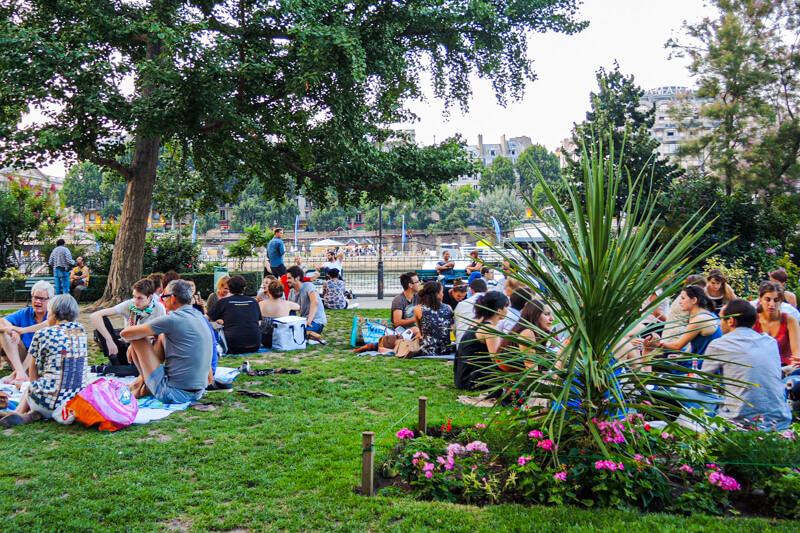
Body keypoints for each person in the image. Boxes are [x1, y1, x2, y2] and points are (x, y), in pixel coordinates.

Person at [702, 299, 793, 430]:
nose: (720, 324)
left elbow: (702, 385)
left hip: (740, 422)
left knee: (685, 392)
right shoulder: (770, 342)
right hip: (779, 420)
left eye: (721, 320)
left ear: (731, 321)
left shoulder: (720, 344)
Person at [0, 295, 90, 426]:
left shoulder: (42, 334)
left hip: (46, 401)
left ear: (53, 314)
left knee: (32, 387)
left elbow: (33, 375)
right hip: (72, 400)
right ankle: (31, 416)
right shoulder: (81, 330)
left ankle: (20, 412)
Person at [121, 280, 213, 402]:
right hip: (198, 391)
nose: (163, 302)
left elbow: (126, 334)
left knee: (138, 338)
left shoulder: (172, 319)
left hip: (173, 393)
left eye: (164, 297)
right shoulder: (199, 316)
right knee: (161, 335)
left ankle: (137, 386)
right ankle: (142, 385)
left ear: (173, 298)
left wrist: (146, 336)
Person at [90, 278, 166, 366]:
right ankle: (115, 363)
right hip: (126, 345)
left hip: (146, 348)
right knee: (103, 321)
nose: (136, 301)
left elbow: (161, 335)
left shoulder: (159, 308)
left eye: (140, 298)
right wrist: (109, 340)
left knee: (137, 367)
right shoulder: (129, 305)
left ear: (150, 297)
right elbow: (95, 316)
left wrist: (135, 342)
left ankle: (115, 368)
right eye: (134, 296)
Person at [0, 280, 53, 383]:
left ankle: (17, 373)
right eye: (35, 297)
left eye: (42, 299)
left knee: (39, 338)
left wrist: (21, 330)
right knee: (4, 332)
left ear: (50, 300)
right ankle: (20, 371)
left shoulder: (52, 314)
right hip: (23, 357)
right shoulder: (25, 312)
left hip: (43, 360)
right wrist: (10, 329)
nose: (37, 302)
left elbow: (50, 323)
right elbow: (2, 321)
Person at [659, 285, 722, 368]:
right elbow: (693, 344)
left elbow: (677, 346)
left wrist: (658, 344)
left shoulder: (699, 319)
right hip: (707, 361)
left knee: (661, 359)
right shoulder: (709, 314)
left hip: (703, 365)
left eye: (683, 298)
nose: (680, 302)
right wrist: (682, 356)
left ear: (694, 300)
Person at [454, 291, 507, 390]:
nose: (508, 310)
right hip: (474, 380)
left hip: (463, 378)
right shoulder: (490, 330)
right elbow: (497, 359)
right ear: (499, 311)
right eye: (506, 306)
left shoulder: (477, 322)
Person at [207, 274, 261, 354]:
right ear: (244, 288)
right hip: (255, 344)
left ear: (229, 288)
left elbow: (206, 318)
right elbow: (259, 322)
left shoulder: (223, 302)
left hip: (233, 345)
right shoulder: (253, 302)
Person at [752, 281, 800, 367]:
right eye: (767, 299)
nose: (772, 304)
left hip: (785, 368)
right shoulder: (752, 320)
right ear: (760, 300)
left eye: (776, 300)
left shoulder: (790, 321)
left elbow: (796, 354)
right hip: (759, 366)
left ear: (781, 302)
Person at [414, 281, 454, 356]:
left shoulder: (419, 309)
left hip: (427, 349)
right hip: (445, 349)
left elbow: (421, 332)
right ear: (437, 294)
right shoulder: (449, 308)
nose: (443, 294)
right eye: (442, 292)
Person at [662, 275, 706, 342]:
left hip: (668, 335)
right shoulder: (691, 300)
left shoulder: (682, 297)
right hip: (679, 337)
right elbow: (694, 321)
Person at [259, 279, 300, 348]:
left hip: (266, 340)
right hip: (282, 339)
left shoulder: (261, 304)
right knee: (292, 312)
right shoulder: (287, 304)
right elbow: (298, 307)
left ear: (268, 292)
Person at [287, 265, 327, 334]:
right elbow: (288, 310)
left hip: (316, 321)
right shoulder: (291, 292)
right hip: (303, 320)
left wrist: (308, 321)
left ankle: (312, 336)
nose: (287, 280)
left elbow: (315, 302)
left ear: (297, 278)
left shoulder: (308, 286)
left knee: (301, 333)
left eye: (289, 278)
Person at [454, 279, 488, 347]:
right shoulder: (490, 304)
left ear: (472, 291)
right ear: (487, 290)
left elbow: (455, 325)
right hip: (480, 349)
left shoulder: (461, 304)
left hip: (460, 346)